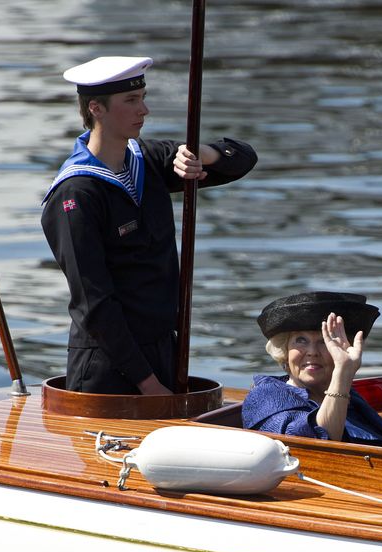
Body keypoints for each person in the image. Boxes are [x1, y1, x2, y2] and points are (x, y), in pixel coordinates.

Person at [41, 56, 257, 395]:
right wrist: (147, 383)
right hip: (109, 367)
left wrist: (200, 155)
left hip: (163, 352)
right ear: (96, 108)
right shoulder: (76, 193)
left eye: (143, 97)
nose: (145, 110)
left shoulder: (149, 160)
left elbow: (243, 158)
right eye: (131, 101)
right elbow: (93, 303)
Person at [242, 292, 382, 449]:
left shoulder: (351, 398)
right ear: (285, 352)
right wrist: (342, 372)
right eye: (301, 340)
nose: (312, 351)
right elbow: (317, 446)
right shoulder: (266, 396)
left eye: (324, 341)